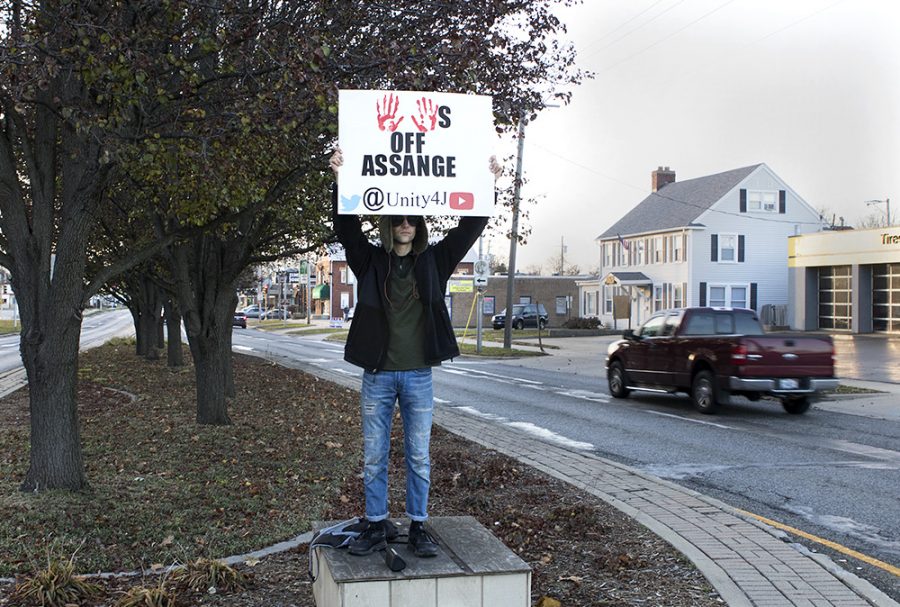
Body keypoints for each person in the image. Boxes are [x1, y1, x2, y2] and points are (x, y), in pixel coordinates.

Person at [330, 148, 500, 557]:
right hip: (378, 375)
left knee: (419, 456)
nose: (406, 225)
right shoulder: (370, 260)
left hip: (419, 375)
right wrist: (338, 178)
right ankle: (375, 524)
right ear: (389, 224)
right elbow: (346, 227)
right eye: (398, 219)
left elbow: (470, 226)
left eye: (412, 219)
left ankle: (418, 527)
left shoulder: (434, 260)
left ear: (419, 224)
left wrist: (486, 180)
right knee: (374, 456)